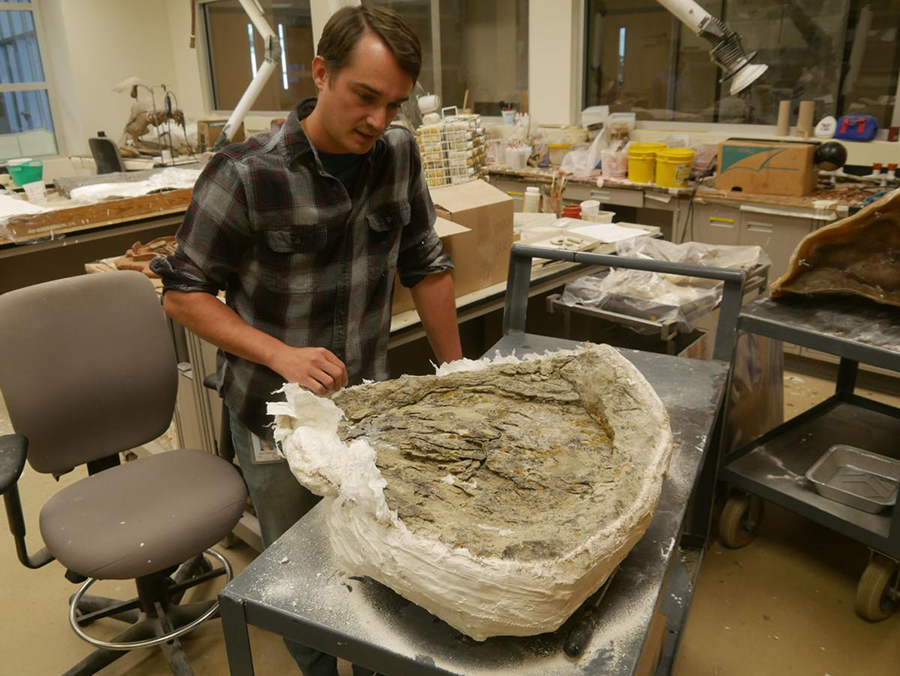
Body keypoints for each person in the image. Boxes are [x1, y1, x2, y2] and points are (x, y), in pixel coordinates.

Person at [152, 6, 462, 674]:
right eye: (365, 96)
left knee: (376, 558)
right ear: (321, 72)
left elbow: (426, 263)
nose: (378, 120)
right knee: (300, 567)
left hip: (366, 406)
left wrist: (457, 373)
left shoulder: (398, 154)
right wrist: (279, 354)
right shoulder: (245, 173)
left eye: (394, 104)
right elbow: (183, 294)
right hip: (276, 413)